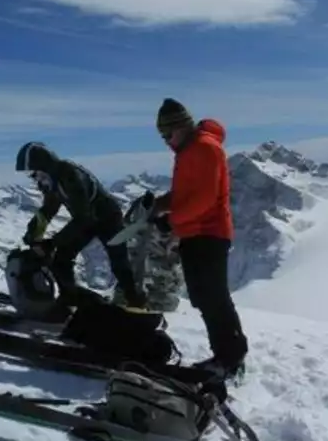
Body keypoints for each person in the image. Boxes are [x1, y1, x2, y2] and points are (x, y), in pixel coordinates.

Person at [152, 98, 248, 378]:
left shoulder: (204, 149)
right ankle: (225, 355)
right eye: (162, 137)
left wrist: (171, 219)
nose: (166, 141)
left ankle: (230, 357)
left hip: (209, 232)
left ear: (181, 127)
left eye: (167, 134)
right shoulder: (189, 150)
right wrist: (161, 203)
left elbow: (204, 199)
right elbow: (187, 195)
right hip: (196, 233)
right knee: (204, 297)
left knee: (213, 297)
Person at [15, 141, 146, 312]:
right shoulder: (52, 181)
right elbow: (48, 210)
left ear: (46, 167)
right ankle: (69, 298)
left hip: (107, 217)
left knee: (118, 261)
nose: (35, 178)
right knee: (61, 259)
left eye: (36, 173)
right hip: (87, 219)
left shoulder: (69, 176)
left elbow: (83, 217)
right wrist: (33, 234)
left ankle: (136, 304)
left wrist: (51, 243)